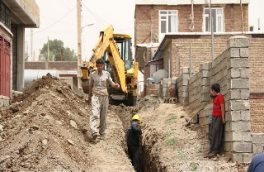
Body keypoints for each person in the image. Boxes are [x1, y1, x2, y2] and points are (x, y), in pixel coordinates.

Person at [88, 59, 120, 143]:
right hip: (95, 97)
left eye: (101, 66)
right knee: (94, 114)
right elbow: (90, 86)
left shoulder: (107, 74)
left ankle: (102, 133)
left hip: (105, 97)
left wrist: (116, 85)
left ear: (103, 66)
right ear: (96, 66)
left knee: (103, 116)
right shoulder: (92, 75)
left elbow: (112, 83)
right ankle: (94, 132)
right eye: (98, 66)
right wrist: (89, 97)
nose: (99, 68)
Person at [207, 83, 225, 158]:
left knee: (216, 134)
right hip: (214, 117)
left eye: (211, 90)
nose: (210, 92)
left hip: (218, 117)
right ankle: (211, 150)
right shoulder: (215, 97)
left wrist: (223, 118)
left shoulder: (220, 97)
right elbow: (210, 95)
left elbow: (222, 108)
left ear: (214, 90)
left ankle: (215, 150)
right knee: (211, 133)